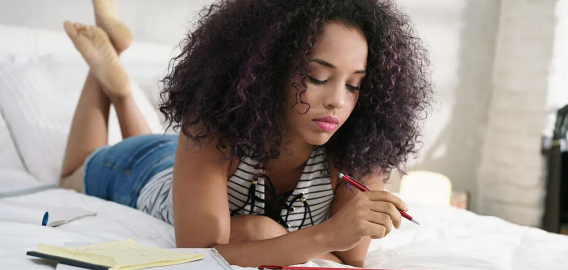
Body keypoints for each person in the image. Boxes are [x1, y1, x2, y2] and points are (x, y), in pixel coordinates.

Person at [59, 0, 432, 267]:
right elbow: (199, 252)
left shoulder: (363, 146)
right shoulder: (211, 127)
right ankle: (106, 76)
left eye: (354, 85)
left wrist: (269, 236)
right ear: (268, 70)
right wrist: (310, 237)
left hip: (195, 166)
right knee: (71, 173)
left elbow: (350, 259)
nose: (337, 101)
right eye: (317, 77)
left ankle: (118, 82)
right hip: (146, 171)